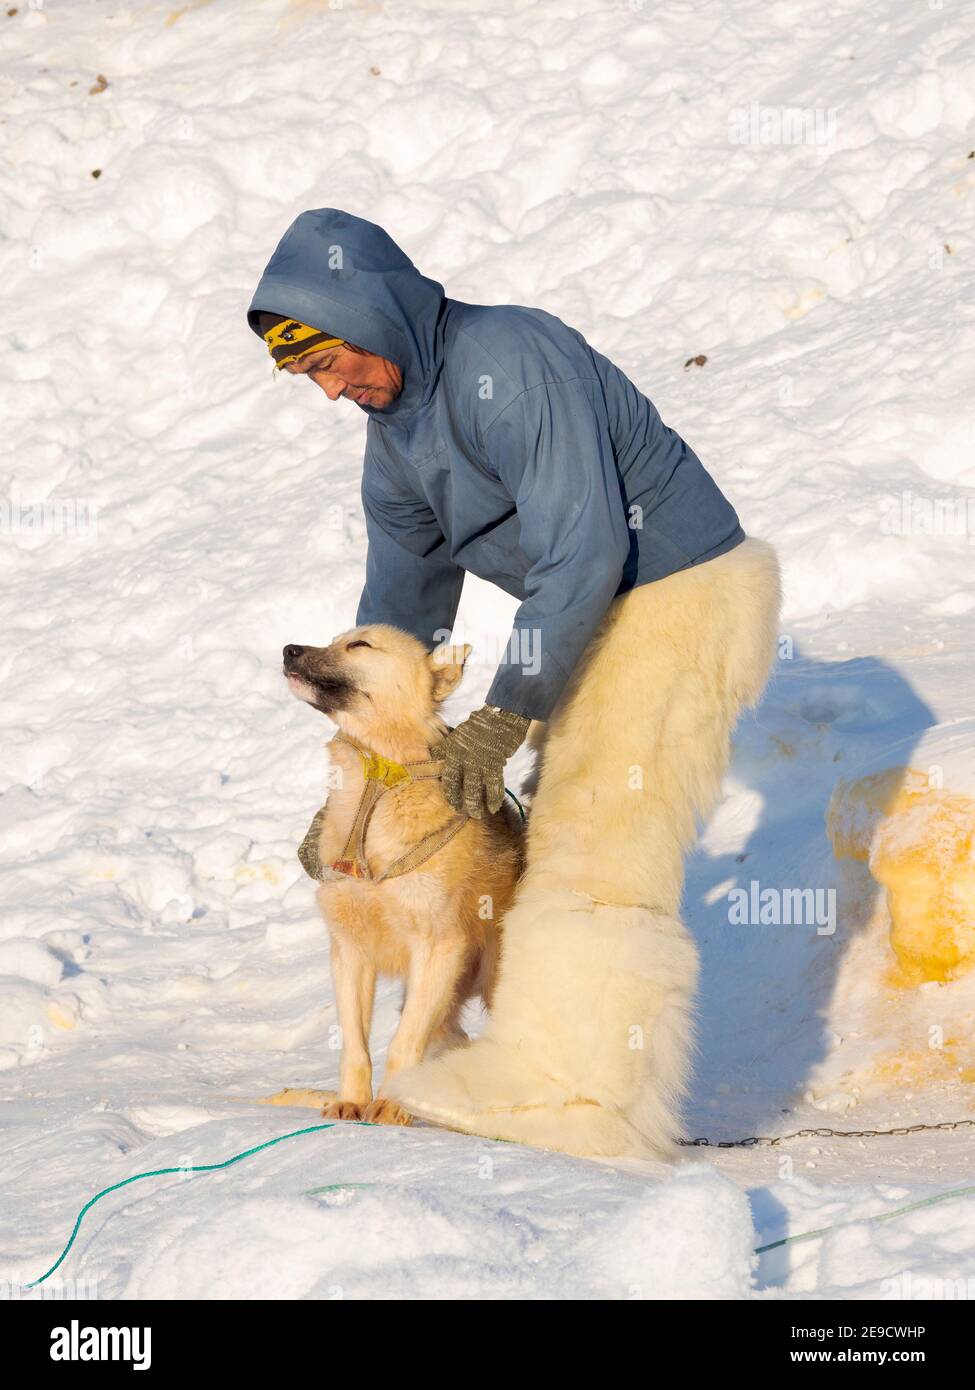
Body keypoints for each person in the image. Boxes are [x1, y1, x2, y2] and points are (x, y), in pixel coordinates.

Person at [248, 208, 781, 1158]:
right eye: (310, 378)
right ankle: (534, 1065)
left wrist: (503, 717)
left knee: (600, 851)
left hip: (675, 594)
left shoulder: (509, 358)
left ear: (373, 313)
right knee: (553, 850)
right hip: (605, 615)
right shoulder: (397, 440)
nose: (331, 391)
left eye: (330, 362)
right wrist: (368, 778)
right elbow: (399, 620)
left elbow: (582, 550)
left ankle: (587, 1104)